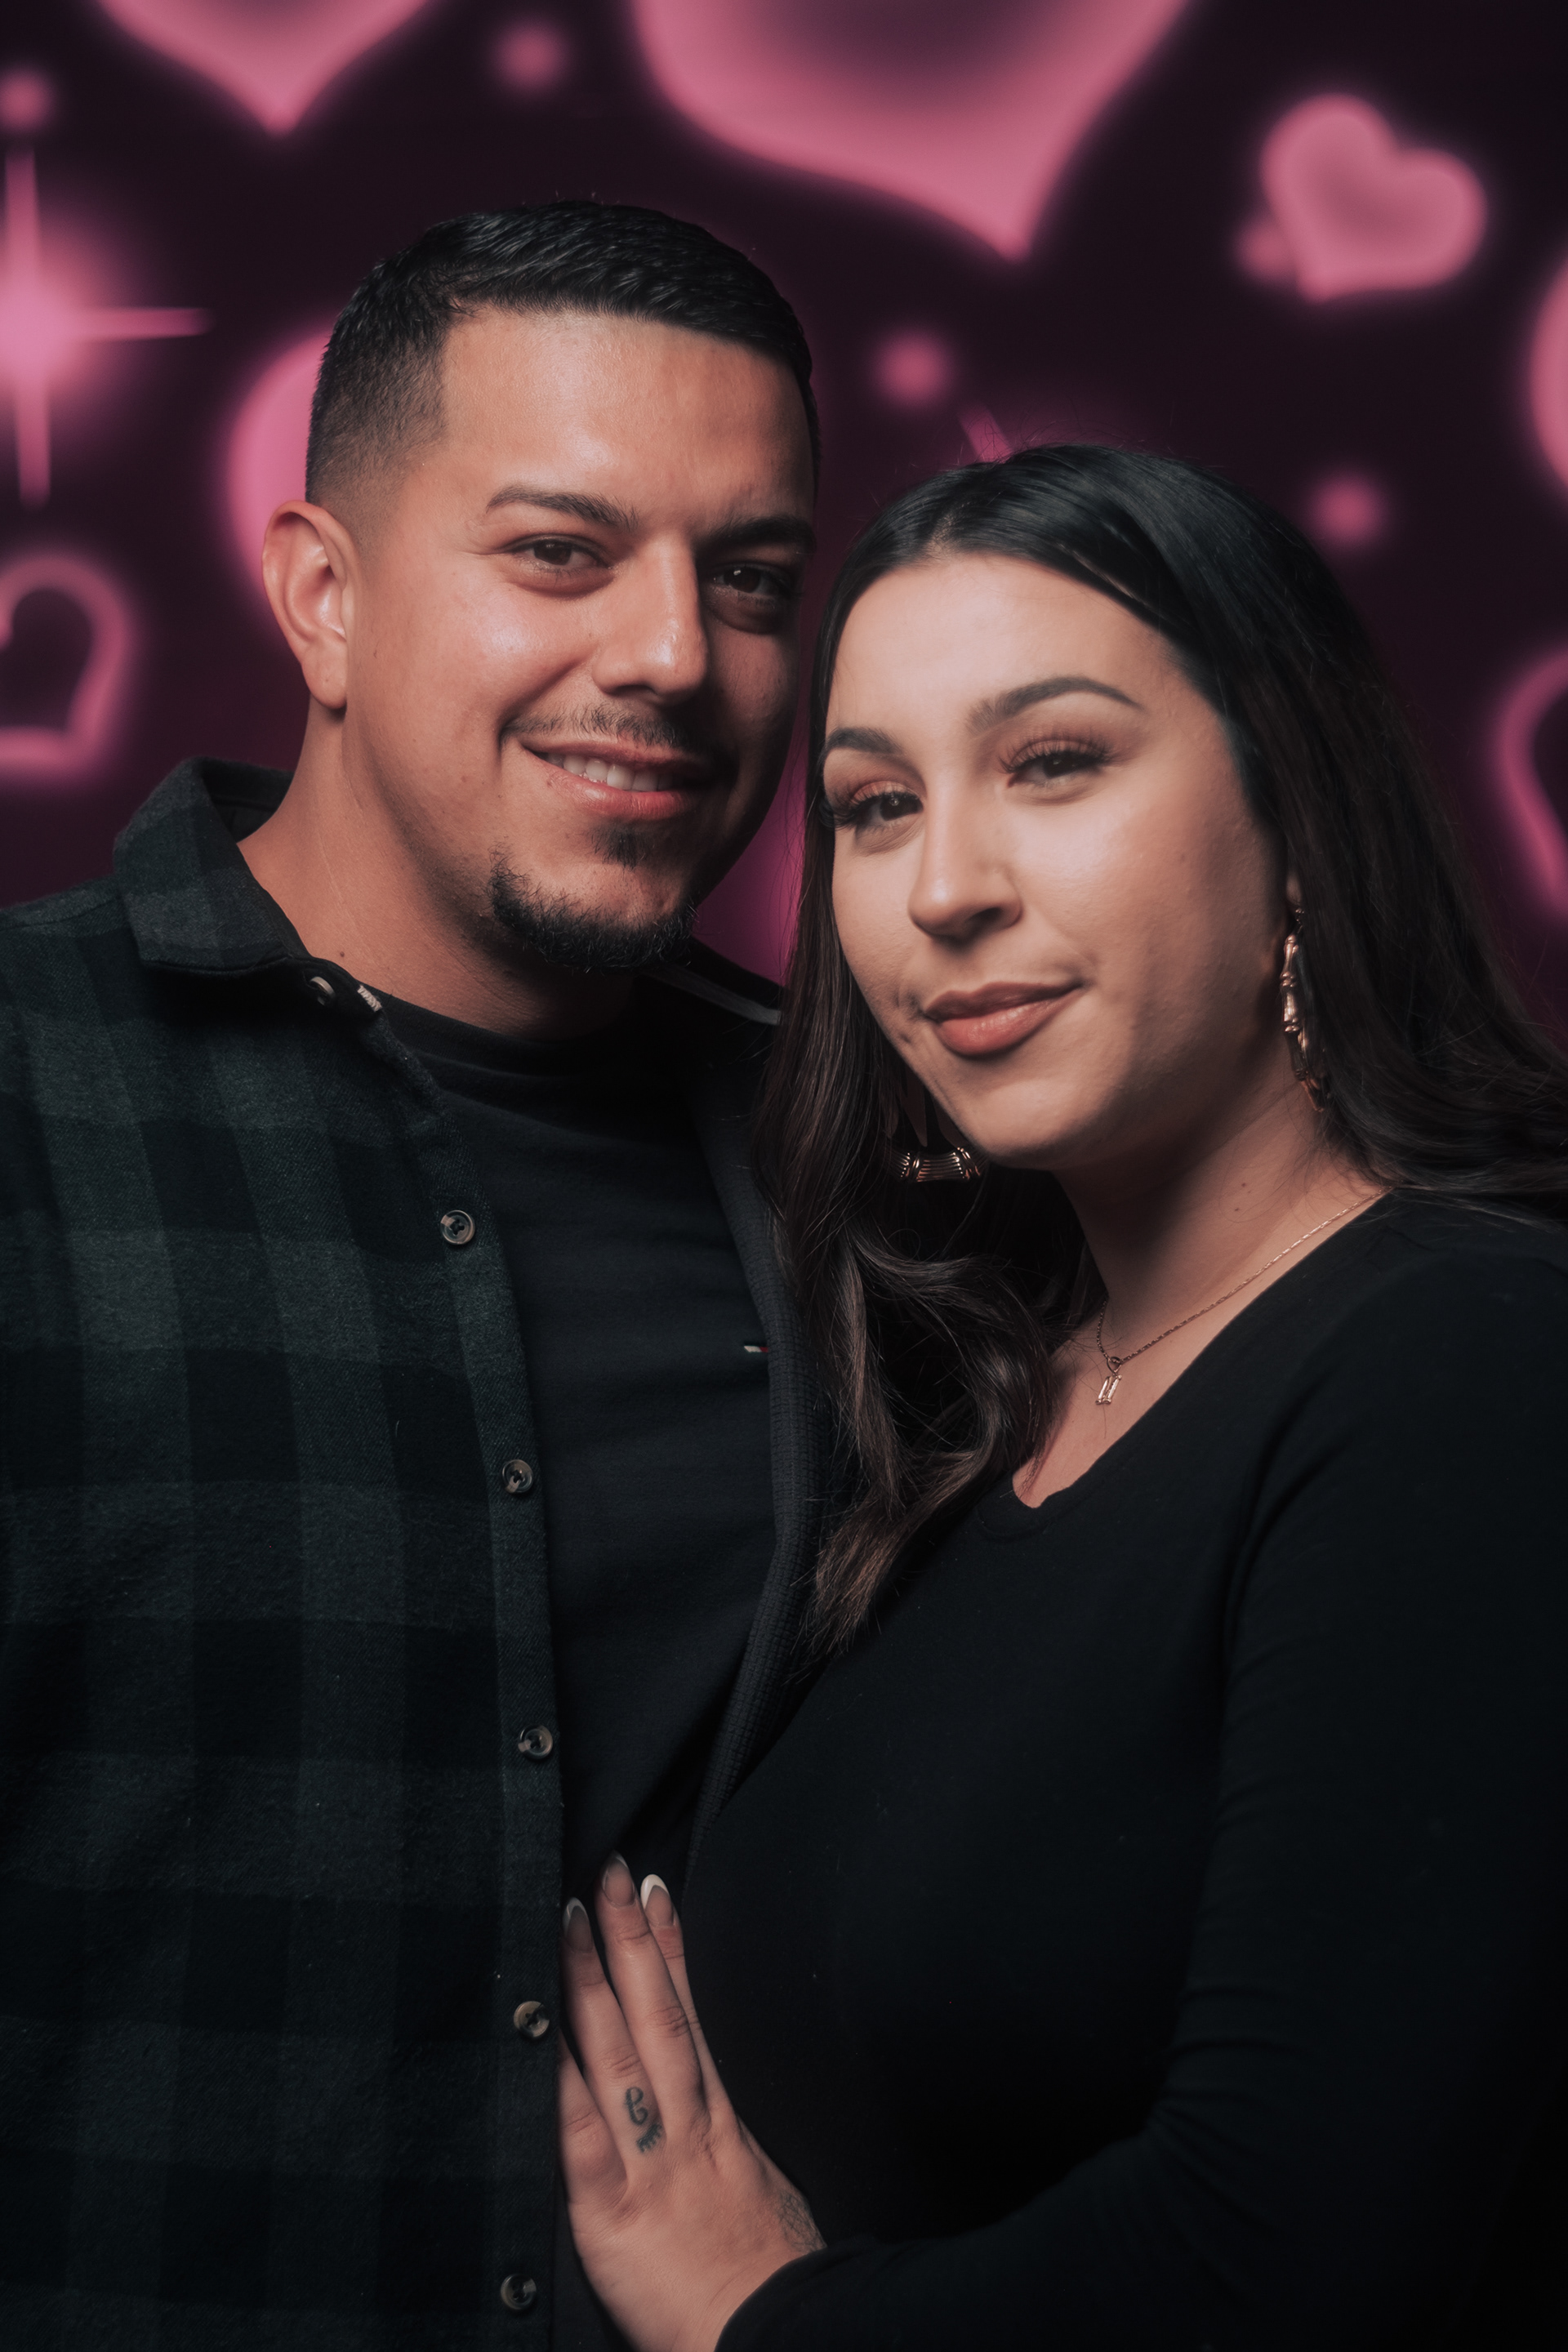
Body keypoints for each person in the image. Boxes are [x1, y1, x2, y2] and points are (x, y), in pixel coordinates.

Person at [553, 445, 1568, 2351]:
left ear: (1299, 819)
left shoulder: (1470, 1366)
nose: (944, 890)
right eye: (875, 806)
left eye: (1055, 763)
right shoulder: (980, 1406)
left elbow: (1287, 2271)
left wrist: (754, 2319)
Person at [0, 201, 834, 2348]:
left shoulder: (865, 1165)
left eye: (753, 579)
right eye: (561, 553)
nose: (676, 655)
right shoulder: (27, 1085)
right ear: (324, 598)